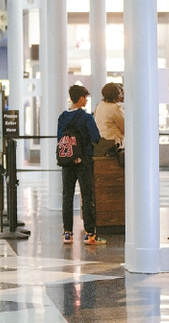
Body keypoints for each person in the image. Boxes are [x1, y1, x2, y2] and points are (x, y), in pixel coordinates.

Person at [58, 85, 105, 245]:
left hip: (67, 160)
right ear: (81, 98)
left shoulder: (62, 117)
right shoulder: (86, 117)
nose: (86, 100)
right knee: (87, 197)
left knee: (67, 197)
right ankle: (90, 234)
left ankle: (67, 234)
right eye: (85, 97)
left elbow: (59, 137)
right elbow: (96, 137)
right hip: (83, 160)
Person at [93, 82, 125, 147]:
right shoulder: (115, 108)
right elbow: (125, 127)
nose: (121, 96)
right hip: (113, 145)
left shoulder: (99, 105)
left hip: (100, 143)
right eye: (120, 93)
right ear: (115, 94)